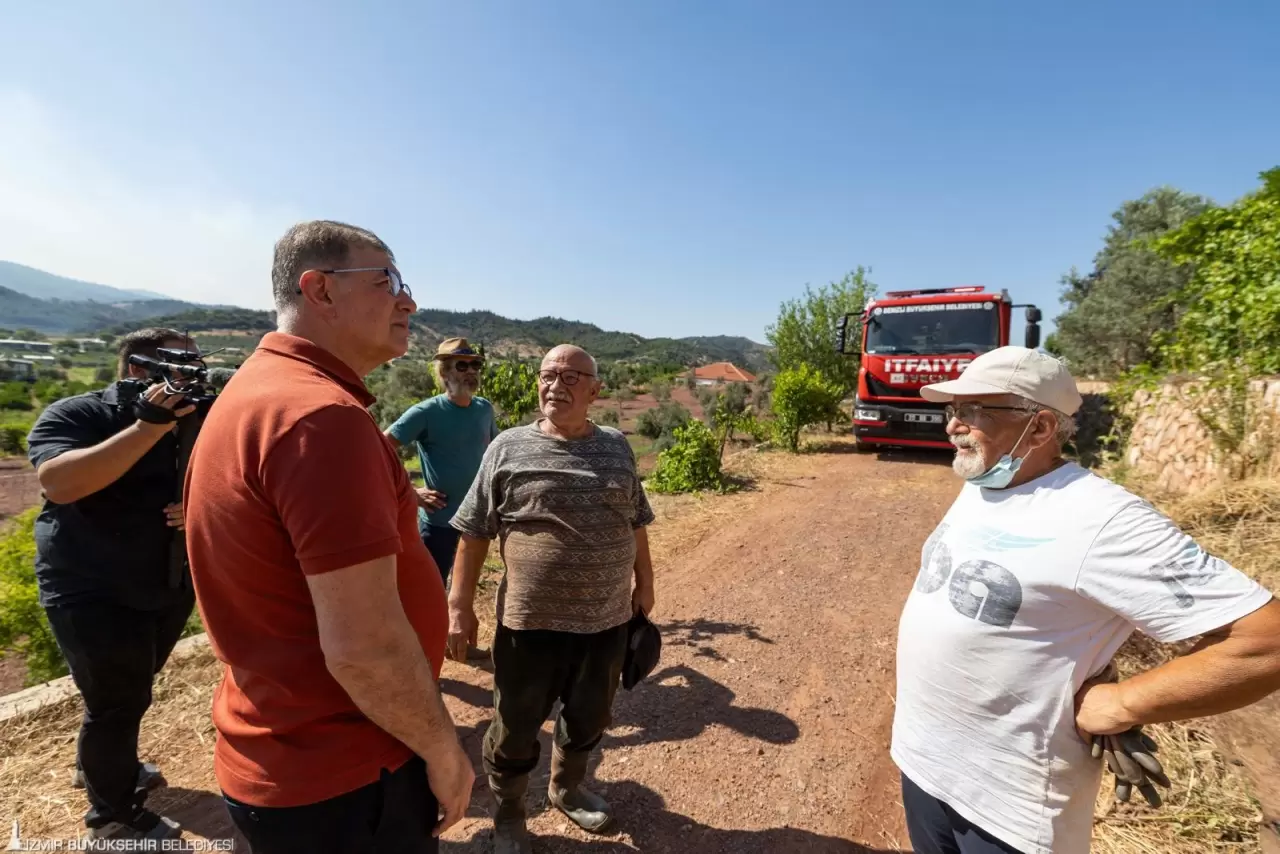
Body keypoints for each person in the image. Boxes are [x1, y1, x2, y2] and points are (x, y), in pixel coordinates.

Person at [891, 346, 1280, 854]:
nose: (953, 426)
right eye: (953, 410)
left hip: (1006, 811)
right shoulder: (988, 483)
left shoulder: (1104, 520)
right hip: (924, 768)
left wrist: (1123, 702)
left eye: (974, 411)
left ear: (1040, 428)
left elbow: (1264, 640)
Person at [183, 220, 473, 854]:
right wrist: (443, 749)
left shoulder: (261, 393)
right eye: (387, 280)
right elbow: (364, 648)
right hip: (344, 772)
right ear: (319, 290)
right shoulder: (321, 420)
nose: (408, 301)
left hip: (285, 757)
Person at [447, 344, 656, 854]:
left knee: (588, 717)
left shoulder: (615, 447)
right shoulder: (507, 449)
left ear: (594, 390)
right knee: (514, 731)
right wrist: (458, 606)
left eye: (569, 376)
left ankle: (566, 787)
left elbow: (636, 522)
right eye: (547, 374)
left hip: (606, 623)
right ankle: (511, 816)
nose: (554, 384)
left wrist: (645, 582)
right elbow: (472, 535)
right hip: (528, 627)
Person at [25, 328, 201, 842]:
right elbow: (58, 482)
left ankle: (102, 763)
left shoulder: (200, 417)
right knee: (117, 703)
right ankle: (114, 820)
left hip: (166, 579)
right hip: (90, 583)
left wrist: (203, 504)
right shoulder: (77, 415)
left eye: (195, 366)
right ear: (136, 370)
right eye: (176, 366)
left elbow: (236, 475)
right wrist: (150, 425)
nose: (191, 378)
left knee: (127, 693)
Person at [384, 336, 498, 588]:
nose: (471, 372)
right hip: (440, 522)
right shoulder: (425, 413)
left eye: (475, 366)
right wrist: (410, 493)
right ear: (445, 372)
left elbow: (496, 452)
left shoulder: (484, 409)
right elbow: (378, 449)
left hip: (476, 518)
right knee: (430, 587)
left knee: (464, 586)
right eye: (462, 365)